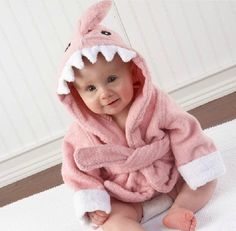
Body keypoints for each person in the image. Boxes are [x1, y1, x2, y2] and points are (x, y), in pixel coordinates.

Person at [56, 1, 225, 231]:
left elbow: (184, 129)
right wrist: (92, 200)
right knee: (111, 221)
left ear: (133, 73)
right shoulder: (82, 131)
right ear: (77, 96)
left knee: (206, 179)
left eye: (111, 79)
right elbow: (76, 170)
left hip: (170, 178)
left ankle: (180, 209)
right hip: (125, 196)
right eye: (91, 89)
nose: (105, 93)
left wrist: (194, 162)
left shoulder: (155, 102)